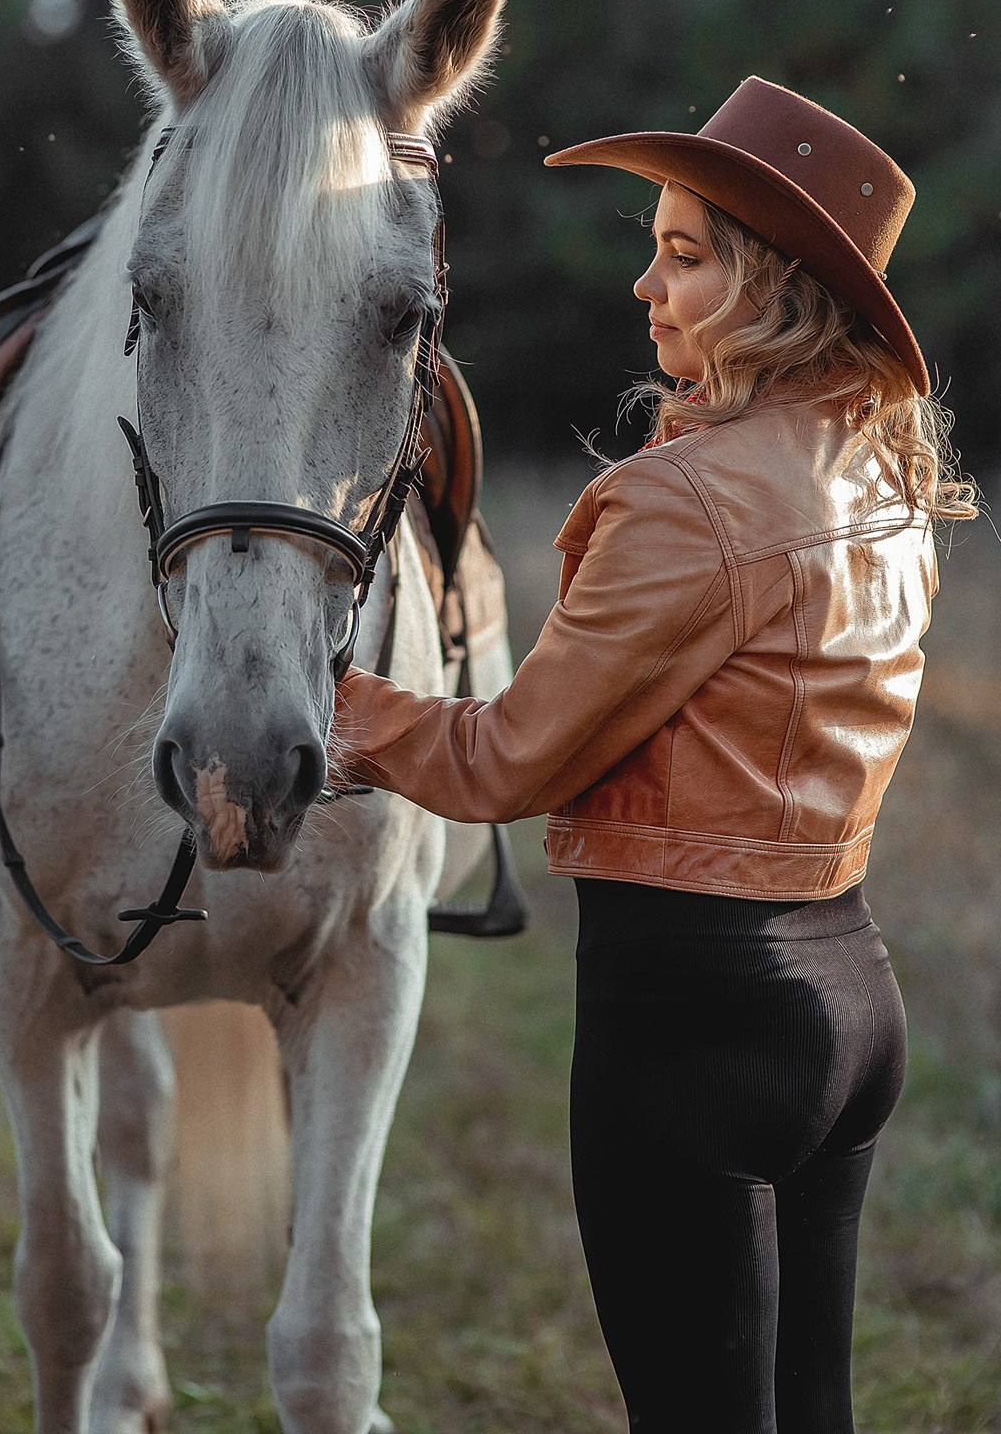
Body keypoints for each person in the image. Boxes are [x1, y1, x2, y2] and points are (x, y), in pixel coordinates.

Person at [332, 76, 977, 1434]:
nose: (644, 287)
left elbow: (505, 763)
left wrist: (337, 709)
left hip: (695, 1029)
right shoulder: (883, 479)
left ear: (779, 293)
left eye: (684, 257)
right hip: (851, 998)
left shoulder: (682, 500)